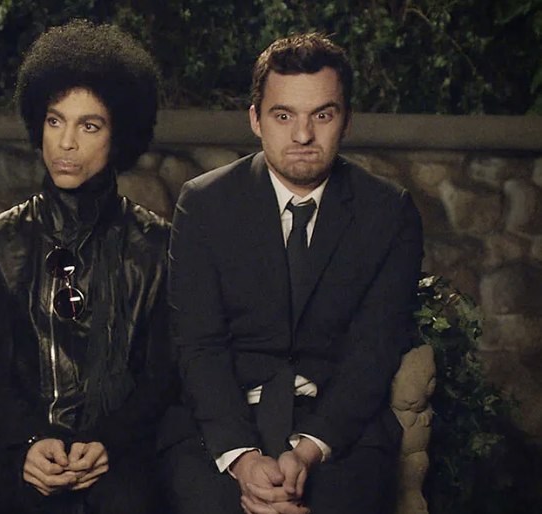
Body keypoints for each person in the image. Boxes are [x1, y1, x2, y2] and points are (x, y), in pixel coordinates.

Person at [161, 33, 424, 514]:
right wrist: (242, 459)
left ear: (346, 122)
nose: (303, 136)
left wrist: (310, 448)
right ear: (256, 120)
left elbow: (374, 350)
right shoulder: (203, 204)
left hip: (336, 429)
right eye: (284, 116)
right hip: (223, 423)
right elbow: (198, 345)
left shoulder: (388, 212)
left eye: (322, 115)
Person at [0, 19, 175, 514]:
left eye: (89, 125)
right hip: (18, 447)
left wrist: (108, 440)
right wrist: (28, 441)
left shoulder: (157, 247)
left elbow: (163, 376)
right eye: (54, 120)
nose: (66, 143)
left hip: (120, 451)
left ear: (120, 134)